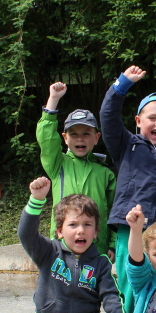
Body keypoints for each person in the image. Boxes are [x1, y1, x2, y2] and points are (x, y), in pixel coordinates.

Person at [18, 177, 131, 313]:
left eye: (87, 225)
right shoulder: (48, 252)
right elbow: (26, 235)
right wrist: (36, 199)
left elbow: (112, 301)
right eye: (73, 225)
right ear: (59, 231)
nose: (80, 231)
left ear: (96, 232)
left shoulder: (100, 264)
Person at [100, 65, 156, 313]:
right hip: (131, 227)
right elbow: (108, 115)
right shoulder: (127, 145)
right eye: (152, 118)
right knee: (129, 283)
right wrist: (122, 84)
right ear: (138, 121)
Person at [37, 82, 116, 259]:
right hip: (62, 246)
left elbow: (114, 209)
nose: (80, 139)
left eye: (86, 133)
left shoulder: (105, 173)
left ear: (96, 138)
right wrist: (53, 100)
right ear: (65, 138)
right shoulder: (58, 164)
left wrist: (113, 244)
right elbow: (46, 139)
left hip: (97, 247)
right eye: (74, 134)